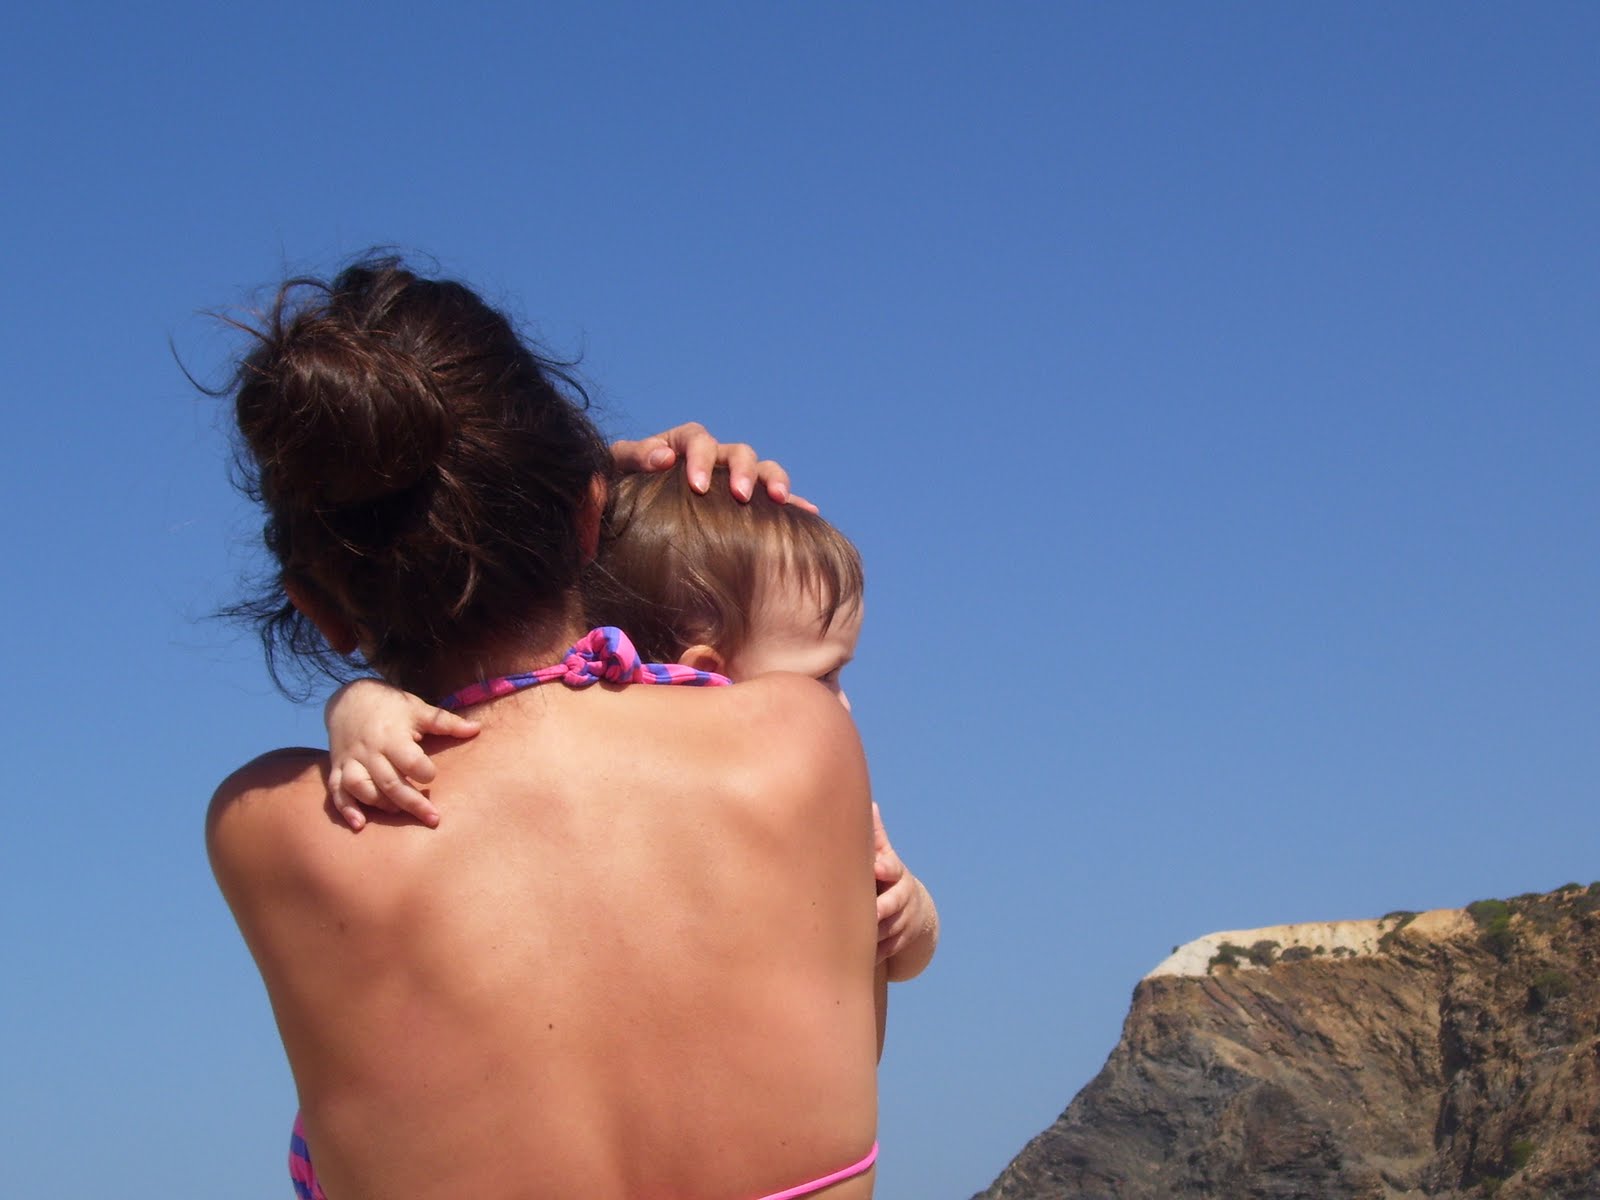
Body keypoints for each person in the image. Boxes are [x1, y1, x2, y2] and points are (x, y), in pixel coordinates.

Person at [206, 257, 883, 1200]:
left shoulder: (273, 830)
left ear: (316, 609)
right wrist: (648, 503)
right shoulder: (801, 738)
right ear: (587, 512)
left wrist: (578, 490)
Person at [323, 464, 940, 979]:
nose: (845, 707)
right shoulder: (579, 744)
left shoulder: (811, 798)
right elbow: (468, 717)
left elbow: (902, 955)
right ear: (707, 674)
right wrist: (361, 705)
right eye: (827, 677)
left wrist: (910, 914)